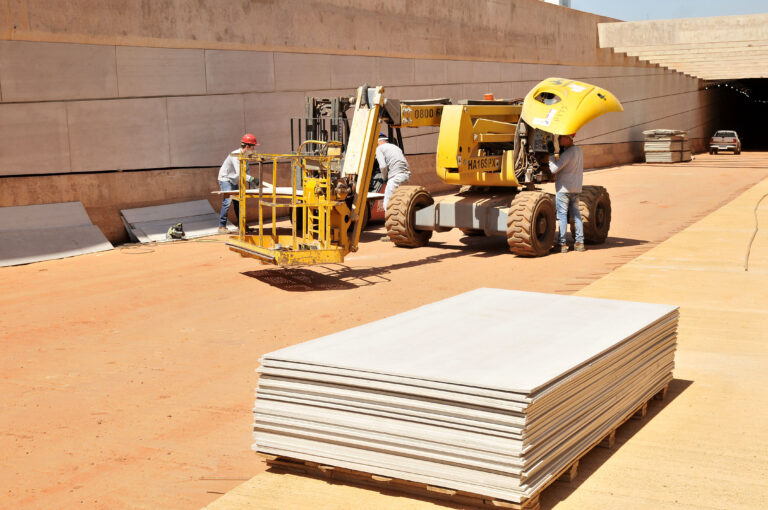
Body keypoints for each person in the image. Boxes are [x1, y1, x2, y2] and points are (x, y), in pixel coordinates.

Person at [548, 133, 585, 253]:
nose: (558, 140)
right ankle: (580, 243)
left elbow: (554, 169)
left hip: (564, 190)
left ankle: (562, 244)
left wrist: (550, 155)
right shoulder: (578, 151)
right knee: (576, 215)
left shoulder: (568, 154)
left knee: (562, 216)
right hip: (576, 188)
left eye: (560, 137)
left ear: (567, 138)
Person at [218, 133, 259, 234]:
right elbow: (240, 173)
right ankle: (221, 227)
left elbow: (246, 171)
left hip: (234, 179)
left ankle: (242, 226)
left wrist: (251, 183)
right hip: (226, 178)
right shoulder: (236, 155)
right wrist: (252, 179)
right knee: (227, 202)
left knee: (238, 202)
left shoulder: (245, 155)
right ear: (247, 146)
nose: (253, 149)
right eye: (253, 147)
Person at [375, 133, 411, 211]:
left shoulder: (379, 149)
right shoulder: (396, 147)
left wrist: (384, 178)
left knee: (387, 203)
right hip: (405, 176)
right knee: (399, 201)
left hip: (395, 177)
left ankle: (389, 221)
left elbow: (383, 166)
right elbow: (405, 162)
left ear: (377, 142)